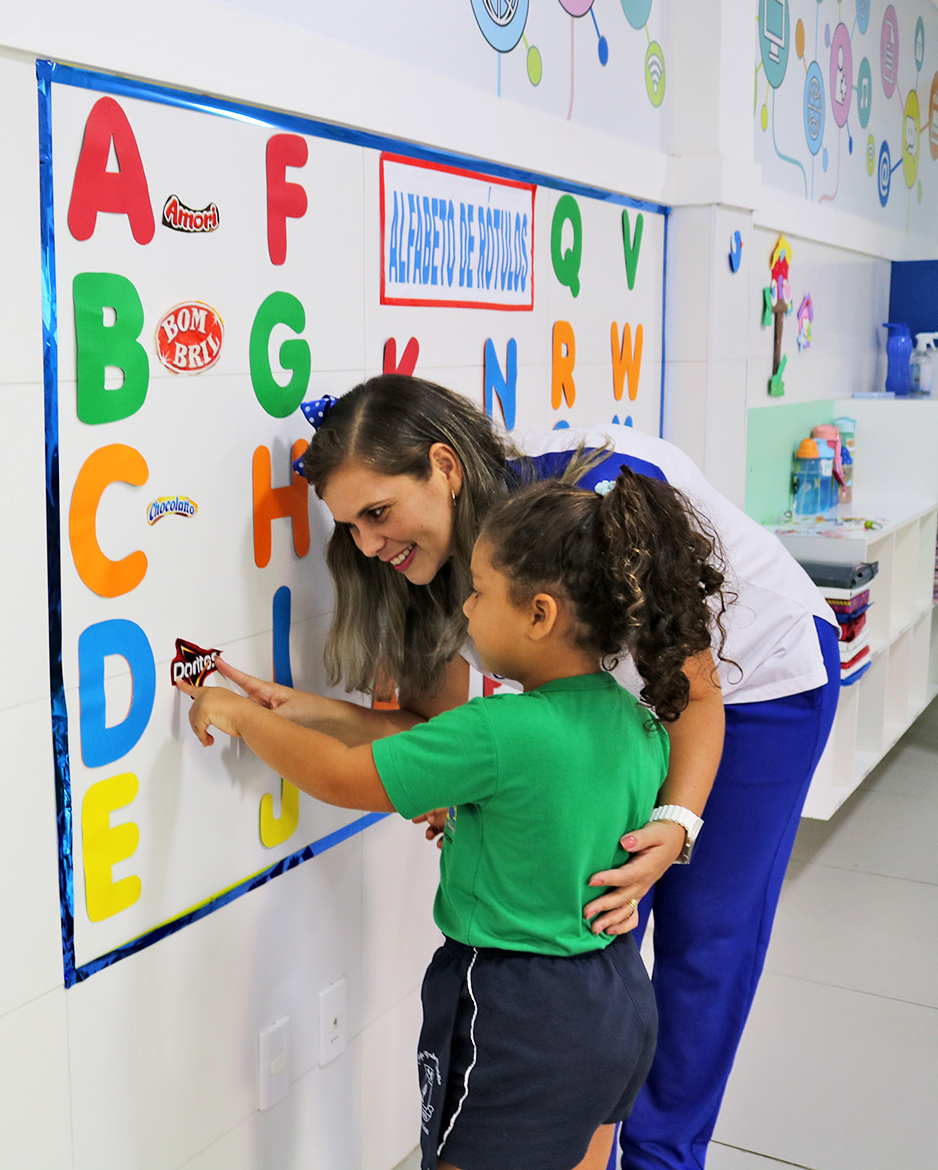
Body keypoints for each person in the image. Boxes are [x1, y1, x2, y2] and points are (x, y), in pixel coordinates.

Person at [224, 376, 837, 1170]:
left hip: (755, 682)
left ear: (444, 468)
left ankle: (663, 1158)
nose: (367, 545)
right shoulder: (435, 571)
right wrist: (310, 714)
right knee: (597, 925)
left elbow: (696, 690)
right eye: (349, 527)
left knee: (705, 942)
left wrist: (678, 821)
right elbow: (435, 738)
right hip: (624, 711)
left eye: (377, 513)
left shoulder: (585, 505)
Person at [184, 469, 725, 1168]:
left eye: (478, 590)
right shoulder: (635, 719)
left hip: (516, 1010)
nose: (465, 609)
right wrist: (302, 709)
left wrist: (241, 717)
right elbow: (543, 812)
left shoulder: (499, 730)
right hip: (616, 997)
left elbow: (340, 776)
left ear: (540, 615)